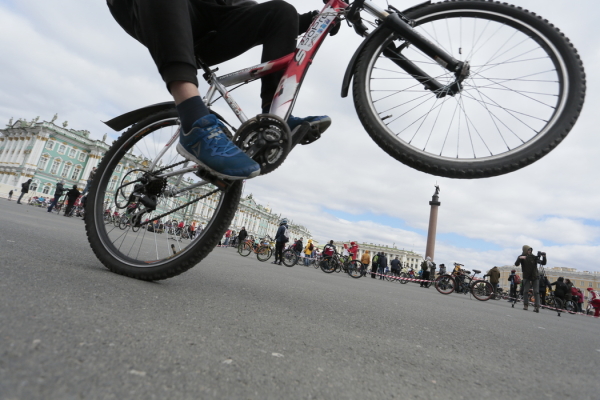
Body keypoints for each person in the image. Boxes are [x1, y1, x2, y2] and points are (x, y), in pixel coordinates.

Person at [106, 0, 331, 181]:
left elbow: (240, 10)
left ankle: (277, 118)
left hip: (214, 19)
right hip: (157, 12)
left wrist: (312, 20)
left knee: (282, 11)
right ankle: (193, 120)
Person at [515, 245, 546, 312]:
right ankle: (525, 305)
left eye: (530, 250)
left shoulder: (533, 257)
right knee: (525, 291)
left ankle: (537, 307)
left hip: (535, 276)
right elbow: (516, 264)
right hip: (526, 276)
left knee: (536, 292)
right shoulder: (522, 257)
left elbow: (543, 263)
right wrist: (520, 258)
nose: (530, 251)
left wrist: (544, 257)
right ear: (525, 250)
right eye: (528, 250)